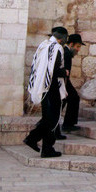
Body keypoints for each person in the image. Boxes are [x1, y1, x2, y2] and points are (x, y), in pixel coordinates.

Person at [23, 26, 68, 158]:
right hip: (51, 87)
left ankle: (38, 142)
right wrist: (64, 72)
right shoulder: (57, 48)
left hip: (41, 86)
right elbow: (53, 70)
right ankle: (42, 145)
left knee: (47, 118)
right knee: (52, 119)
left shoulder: (43, 45)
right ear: (62, 37)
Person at [55, 33, 85, 139]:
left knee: (69, 100)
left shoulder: (66, 51)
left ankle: (64, 126)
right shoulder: (66, 53)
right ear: (71, 44)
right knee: (71, 99)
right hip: (63, 82)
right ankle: (67, 125)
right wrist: (65, 87)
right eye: (77, 47)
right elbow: (65, 71)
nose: (78, 50)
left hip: (64, 82)